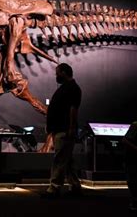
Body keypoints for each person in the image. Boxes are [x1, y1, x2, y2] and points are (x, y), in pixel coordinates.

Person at [42, 63, 82, 197]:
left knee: (59, 159)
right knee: (67, 159)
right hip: (59, 129)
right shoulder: (65, 88)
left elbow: (73, 109)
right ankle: (75, 186)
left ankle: (54, 188)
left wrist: (71, 128)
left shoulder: (73, 89)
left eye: (57, 73)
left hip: (64, 129)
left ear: (64, 72)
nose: (56, 75)